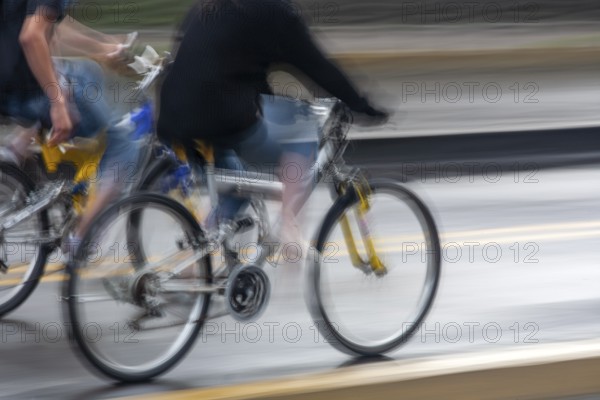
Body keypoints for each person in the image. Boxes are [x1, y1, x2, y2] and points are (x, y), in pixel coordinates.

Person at [157, 0, 388, 252]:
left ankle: (194, 266)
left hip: (173, 117)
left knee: (238, 187)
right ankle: (288, 228)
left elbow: (228, 62)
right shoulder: (276, 11)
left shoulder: (208, 6)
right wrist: (360, 104)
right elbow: (316, 65)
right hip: (218, 116)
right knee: (303, 135)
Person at [0, 0, 141, 252]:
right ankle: (80, 239)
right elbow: (32, 36)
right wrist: (58, 103)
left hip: (8, 91)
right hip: (26, 94)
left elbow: (52, 28)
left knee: (88, 72)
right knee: (124, 144)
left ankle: (19, 147)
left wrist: (102, 46)